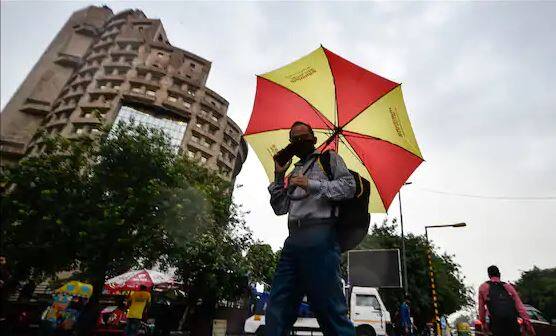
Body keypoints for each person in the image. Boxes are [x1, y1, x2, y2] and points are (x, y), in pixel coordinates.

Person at [266, 121, 356, 336]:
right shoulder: (293, 171)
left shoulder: (329, 159)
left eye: (302, 138)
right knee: (278, 306)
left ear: (313, 139)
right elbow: (280, 208)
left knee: (328, 308)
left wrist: (312, 184)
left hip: (321, 236)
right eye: (293, 140)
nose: (297, 143)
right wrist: (279, 176)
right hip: (293, 240)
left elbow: (349, 187)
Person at [477, 265, 535, 336]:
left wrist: (483, 323)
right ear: (499, 274)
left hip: (496, 325)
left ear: (489, 275)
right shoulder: (508, 287)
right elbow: (520, 308)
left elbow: (481, 309)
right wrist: (528, 324)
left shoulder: (483, 287)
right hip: (512, 323)